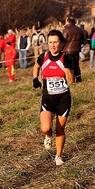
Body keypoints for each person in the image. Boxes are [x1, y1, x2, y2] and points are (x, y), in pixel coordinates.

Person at [32, 29, 73, 166]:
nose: (52, 45)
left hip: (63, 98)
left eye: (55, 42)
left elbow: (71, 81)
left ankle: (58, 156)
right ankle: (48, 136)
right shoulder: (43, 57)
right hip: (48, 98)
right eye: (50, 42)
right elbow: (36, 67)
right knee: (45, 127)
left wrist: (66, 67)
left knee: (60, 129)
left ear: (60, 43)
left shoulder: (65, 57)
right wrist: (35, 79)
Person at [62, 16, 84, 83]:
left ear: (68, 22)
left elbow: (63, 41)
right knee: (76, 65)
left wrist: (61, 49)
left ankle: (71, 79)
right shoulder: (79, 30)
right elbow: (82, 40)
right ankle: (78, 78)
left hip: (67, 51)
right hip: (77, 50)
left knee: (69, 66)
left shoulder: (65, 30)